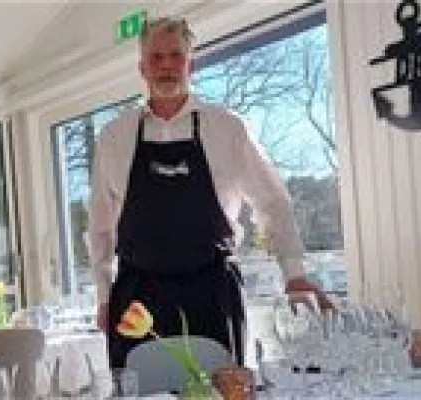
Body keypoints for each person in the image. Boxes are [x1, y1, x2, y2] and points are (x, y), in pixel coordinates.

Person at [88, 16, 333, 369]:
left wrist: (294, 273)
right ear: (142, 68)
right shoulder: (114, 137)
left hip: (212, 292)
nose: (166, 65)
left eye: (176, 55)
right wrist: (103, 294)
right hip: (137, 298)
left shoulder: (228, 128)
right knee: (138, 389)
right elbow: (100, 227)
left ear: (191, 64)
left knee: (221, 388)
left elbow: (273, 201)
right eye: (156, 57)